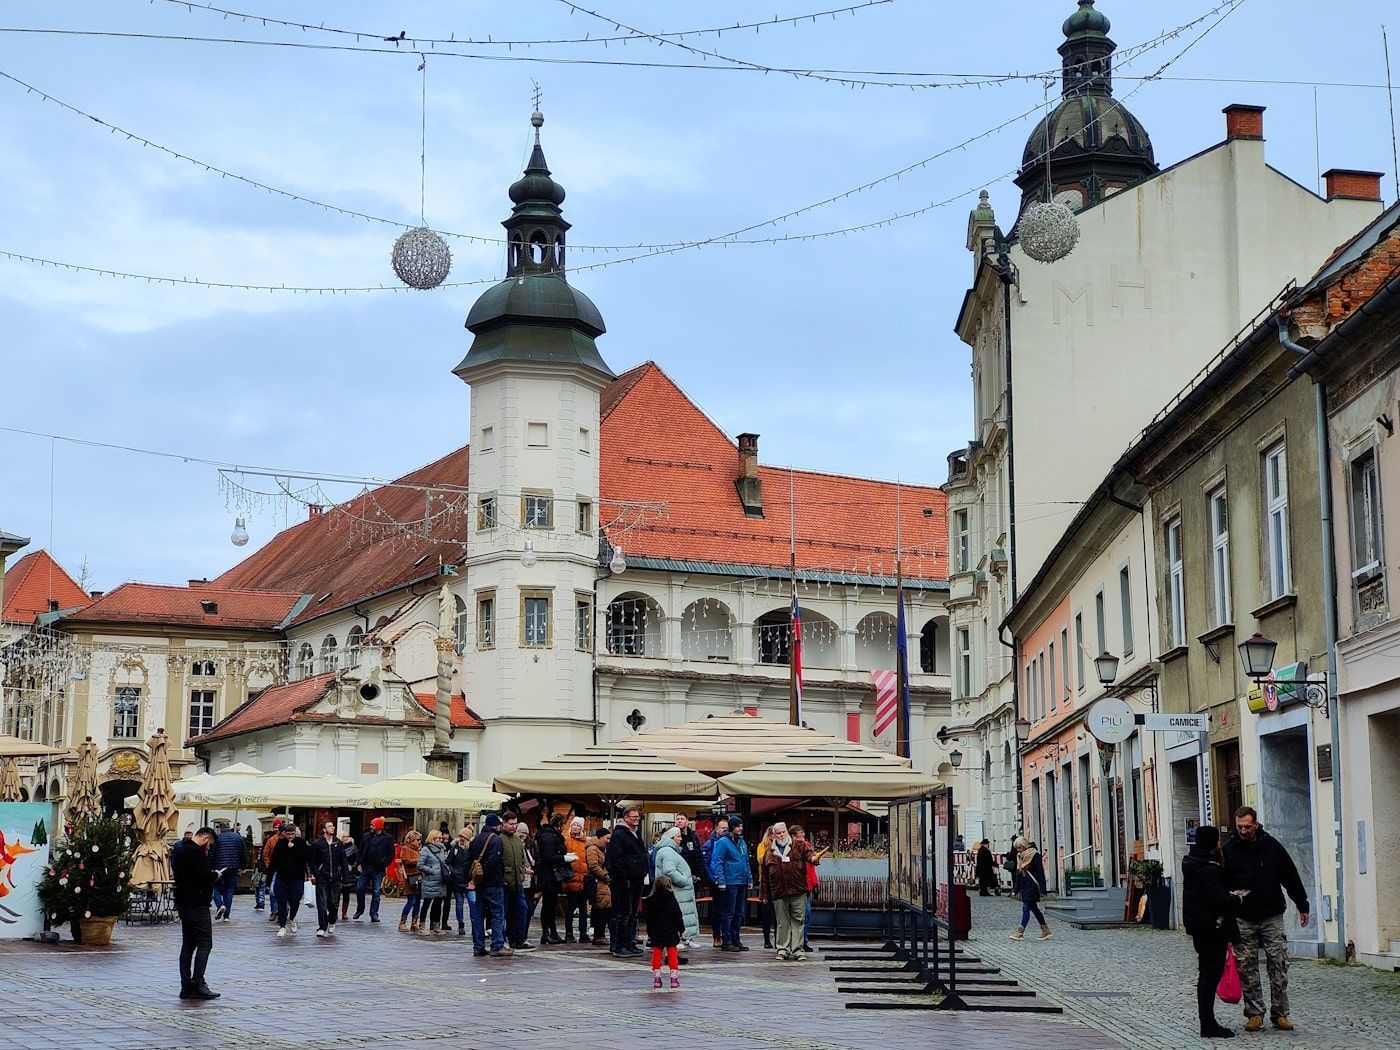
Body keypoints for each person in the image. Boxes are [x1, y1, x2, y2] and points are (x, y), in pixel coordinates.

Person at [1222, 807, 1310, 1033]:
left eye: (1247, 827)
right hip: (1243, 916)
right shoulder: (1229, 849)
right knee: (1246, 966)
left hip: (1271, 914)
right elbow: (1221, 883)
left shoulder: (1271, 847)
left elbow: (1290, 876)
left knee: (1278, 963)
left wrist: (1302, 904)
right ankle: (1254, 1013)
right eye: (1240, 826)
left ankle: (1280, 1013)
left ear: (1256, 824)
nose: (1243, 830)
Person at [1183, 824, 1245, 1039]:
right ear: (1213, 843)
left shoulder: (1193, 863)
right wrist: (1236, 898)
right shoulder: (1209, 868)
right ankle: (1207, 1023)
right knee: (1210, 974)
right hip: (1211, 927)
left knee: (1206, 974)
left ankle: (1206, 1020)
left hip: (1199, 926)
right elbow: (1217, 898)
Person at [171, 825, 220, 1000]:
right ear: (205, 838)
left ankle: (186, 985)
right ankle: (198, 982)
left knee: (188, 945)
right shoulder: (195, 852)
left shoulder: (180, 849)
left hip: (184, 903)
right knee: (205, 943)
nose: (209, 848)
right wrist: (215, 875)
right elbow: (204, 875)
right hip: (197, 904)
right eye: (210, 844)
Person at [762, 821, 813, 962]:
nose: (781, 835)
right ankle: (782, 949)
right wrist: (764, 894)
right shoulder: (769, 852)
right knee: (781, 922)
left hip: (798, 889)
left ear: (787, 831)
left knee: (798, 920)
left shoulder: (799, 845)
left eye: (783, 832)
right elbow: (765, 877)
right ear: (773, 835)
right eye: (778, 833)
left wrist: (814, 859)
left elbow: (810, 856)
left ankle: (798, 950)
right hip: (779, 891)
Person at [605, 806, 648, 958]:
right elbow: (616, 859)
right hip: (624, 881)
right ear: (626, 818)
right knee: (622, 913)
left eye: (638, 817)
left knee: (632, 913)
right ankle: (619, 945)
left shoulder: (634, 833)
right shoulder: (620, 834)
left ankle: (629, 942)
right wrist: (624, 877)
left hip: (635, 880)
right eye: (633, 816)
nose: (637, 819)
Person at [464, 814, 509, 957]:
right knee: (497, 913)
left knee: (478, 915)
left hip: (479, 884)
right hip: (493, 882)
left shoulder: (476, 839)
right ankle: (497, 945)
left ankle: (478, 946)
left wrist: (473, 879)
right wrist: (485, 874)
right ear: (496, 825)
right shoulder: (496, 839)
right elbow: (494, 860)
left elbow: (468, 860)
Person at [710, 815, 752, 952]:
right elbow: (718, 861)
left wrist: (749, 878)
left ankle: (736, 939)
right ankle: (726, 940)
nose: (740, 828)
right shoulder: (723, 842)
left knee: (738, 912)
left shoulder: (742, 842)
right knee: (729, 912)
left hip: (741, 880)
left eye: (741, 826)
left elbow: (746, 861)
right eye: (738, 826)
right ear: (732, 827)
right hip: (730, 881)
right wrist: (721, 880)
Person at [654, 827, 700, 950]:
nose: (680, 839)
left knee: (682, 914)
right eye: (678, 836)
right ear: (671, 838)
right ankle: (678, 939)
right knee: (677, 915)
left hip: (679, 891)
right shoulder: (668, 851)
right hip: (677, 890)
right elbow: (669, 871)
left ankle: (685, 938)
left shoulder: (670, 851)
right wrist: (684, 880)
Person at [497, 813, 536, 952]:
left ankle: (518, 938)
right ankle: (503, 939)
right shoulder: (499, 839)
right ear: (504, 823)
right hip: (505, 883)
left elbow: (520, 860)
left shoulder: (516, 840)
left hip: (518, 883)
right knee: (503, 912)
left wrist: (522, 873)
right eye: (511, 824)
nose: (513, 826)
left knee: (522, 909)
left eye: (515, 824)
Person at [269, 821, 309, 938]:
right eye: (288, 834)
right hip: (282, 877)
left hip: (297, 878)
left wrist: (294, 848)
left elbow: (305, 858)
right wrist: (269, 878)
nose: (290, 836)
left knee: (295, 900)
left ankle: (292, 918)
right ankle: (282, 926)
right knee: (281, 902)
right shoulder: (280, 844)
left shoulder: (301, 843)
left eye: (292, 834)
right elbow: (273, 861)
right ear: (284, 834)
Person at [644, 875, 685, 990]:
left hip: (656, 931)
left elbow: (649, 919)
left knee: (657, 953)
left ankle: (657, 978)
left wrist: (649, 931)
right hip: (670, 930)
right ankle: (674, 978)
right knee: (672, 953)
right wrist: (681, 929)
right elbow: (678, 915)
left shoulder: (651, 900)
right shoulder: (671, 899)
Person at [308, 820, 346, 938]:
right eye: (329, 826)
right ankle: (322, 927)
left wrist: (345, 877)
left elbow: (343, 861)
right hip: (322, 877)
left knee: (334, 903)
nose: (333, 828)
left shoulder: (338, 843)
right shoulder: (317, 844)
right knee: (322, 903)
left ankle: (332, 920)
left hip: (335, 877)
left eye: (333, 826)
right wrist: (317, 873)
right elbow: (312, 861)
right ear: (324, 829)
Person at [354, 816, 395, 923]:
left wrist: (384, 863)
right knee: (359, 888)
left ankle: (374, 913)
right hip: (366, 867)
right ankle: (360, 909)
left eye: (373, 825)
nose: (371, 827)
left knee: (376, 891)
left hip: (378, 868)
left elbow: (391, 854)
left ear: (379, 827)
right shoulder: (366, 836)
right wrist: (359, 863)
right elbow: (361, 850)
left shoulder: (388, 838)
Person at [535, 814, 568, 946]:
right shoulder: (549, 837)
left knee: (551, 904)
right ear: (558, 824)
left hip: (551, 875)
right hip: (549, 876)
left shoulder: (551, 835)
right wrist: (564, 858)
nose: (563, 828)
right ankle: (546, 933)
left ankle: (552, 932)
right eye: (563, 825)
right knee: (548, 905)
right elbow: (548, 856)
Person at [791, 824, 825, 953]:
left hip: (807, 885)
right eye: (801, 832)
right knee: (801, 915)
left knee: (806, 914)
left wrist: (815, 884)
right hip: (800, 885)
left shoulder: (806, 845)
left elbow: (811, 868)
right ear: (795, 835)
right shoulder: (794, 847)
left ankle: (803, 941)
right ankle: (799, 941)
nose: (803, 834)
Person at [1010, 837, 1050, 941]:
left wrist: (1042, 888)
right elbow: (1019, 874)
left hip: (1032, 885)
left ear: (1024, 846)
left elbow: (1040, 872)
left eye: (1019, 848)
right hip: (1025, 885)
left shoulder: (1035, 855)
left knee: (1026, 907)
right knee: (1034, 909)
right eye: (1016, 848)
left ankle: (1020, 932)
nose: (1018, 850)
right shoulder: (1020, 856)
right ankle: (1045, 930)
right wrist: (1016, 889)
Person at [562, 816, 590, 943]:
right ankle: (569, 933)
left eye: (578, 825)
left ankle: (583, 933)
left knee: (583, 909)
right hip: (571, 878)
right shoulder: (566, 841)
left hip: (583, 879)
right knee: (570, 908)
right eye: (574, 825)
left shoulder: (586, 842)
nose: (575, 827)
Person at [702, 818, 728, 947]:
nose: (725, 830)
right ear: (716, 829)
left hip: (729, 880)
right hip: (716, 881)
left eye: (726, 828)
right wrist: (712, 879)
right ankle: (717, 935)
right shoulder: (709, 844)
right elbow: (706, 864)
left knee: (728, 910)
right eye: (723, 827)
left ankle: (727, 935)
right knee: (717, 910)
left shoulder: (731, 842)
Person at [211, 821, 244, 923]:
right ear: (229, 827)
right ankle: (226, 916)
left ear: (221, 828)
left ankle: (220, 905)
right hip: (233, 867)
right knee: (229, 890)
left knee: (214, 887)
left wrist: (210, 867)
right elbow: (243, 853)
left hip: (219, 867)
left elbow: (212, 853)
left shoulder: (217, 838)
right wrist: (242, 867)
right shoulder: (238, 837)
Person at [419, 828, 449, 935]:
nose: (441, 839)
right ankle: (422, 926)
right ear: (433, 838)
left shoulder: (442, 849)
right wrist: (431, 871)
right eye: (439, 837)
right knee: (426, 903)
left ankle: (436, 925)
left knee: (438, 904)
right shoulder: (425, 850)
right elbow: (420, 865)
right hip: (430, 881)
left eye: (441, 838)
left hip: (440, 881)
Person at [445, 827, 474, 936]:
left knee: (473, 902)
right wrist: (454, 872)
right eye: (460, 836)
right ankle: (461, 924)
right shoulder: (455, 849)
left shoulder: (472, 849)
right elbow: (449, 863)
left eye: (463, 837)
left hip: (469, 880)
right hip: (457, 880)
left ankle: (474, 924)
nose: (461, 838)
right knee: (459, 904)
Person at [586, 826, 612, 947]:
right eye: (607, 838)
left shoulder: (601, 849)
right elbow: (593, 866)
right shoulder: (593, 848)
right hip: (598, 882)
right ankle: (599, 935)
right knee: (601, 908)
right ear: (601, 837)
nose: (608, 841)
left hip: (602, 882)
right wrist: (605, 875)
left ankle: (599, 934)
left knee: (602, 907)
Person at [397, 830, 423, 933]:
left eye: (419, 840)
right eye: (416, 840)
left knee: (417, 901)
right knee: (411, 901)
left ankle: (414, 922)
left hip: (419, 877)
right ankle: (402, 922)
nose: (418, 842)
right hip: (410, 878)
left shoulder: (419, 850)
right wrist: (418, 861)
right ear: (411, 839)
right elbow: (405, 860)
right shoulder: (405, 848)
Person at [259, 816, 285, 920]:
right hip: (274, 869)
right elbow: (266, 853)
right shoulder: (272, 840)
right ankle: (274, 911)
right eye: (275, 827)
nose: (277, 829)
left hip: (286, 869)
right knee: (273, 891)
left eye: (278, 827)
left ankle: (283, 910)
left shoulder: (289, 839)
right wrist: (268, 865)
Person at [756, 825, 777, 949]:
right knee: (767, 911)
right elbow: (760, 859)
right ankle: (766, 938)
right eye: (773, 834)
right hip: (765, 881)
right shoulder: (762, 846)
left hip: (777, 883)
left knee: (777, 913)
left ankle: (778, 938)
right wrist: (771, 851)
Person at [338, 832, 359, 923]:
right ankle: (334, 911)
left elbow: (357, 860)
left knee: (346, 893)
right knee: (336, 894)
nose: (346, 838)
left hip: (349, 873)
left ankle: (344, 912)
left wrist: (352, 866)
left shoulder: (353, 848)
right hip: (338, 872)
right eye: (344, 836)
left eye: (347, 836)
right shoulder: (337, 846)